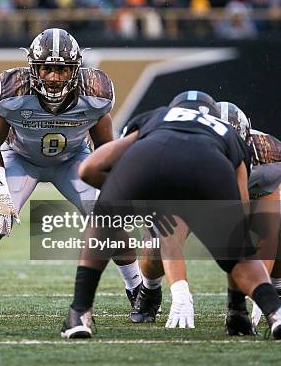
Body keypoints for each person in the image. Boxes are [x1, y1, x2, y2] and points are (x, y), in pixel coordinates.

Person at [0, 27, 143, 315]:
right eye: (47, 69)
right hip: (20, 158)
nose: (54, 77)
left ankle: (137, 291)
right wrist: (1, 190)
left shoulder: (95, 92)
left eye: (62, 69)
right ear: (34, 67)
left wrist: (114, 187)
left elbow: (106, 147)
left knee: (108, 222)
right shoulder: (11, 90)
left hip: (73, 161)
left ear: (75, 69)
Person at [65, 91, 281, 340]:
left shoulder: (158, 117)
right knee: (237, 249)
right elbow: (238, 226)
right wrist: (237, 308)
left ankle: (79, 312)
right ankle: (274, 311)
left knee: (104, 221)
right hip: (211, 170)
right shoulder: (228, 135)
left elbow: (89, 168)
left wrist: (133, 202)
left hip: (149, 161)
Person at [132, 102, 281, 333]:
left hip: (243, 194)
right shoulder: (177, 155)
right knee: (154, 253)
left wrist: (262, 289)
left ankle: (273, 289)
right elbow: (170, 238)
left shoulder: (267, 158)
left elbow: (268, 231)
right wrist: (180, 293)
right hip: (192, 192)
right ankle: (150, 289)